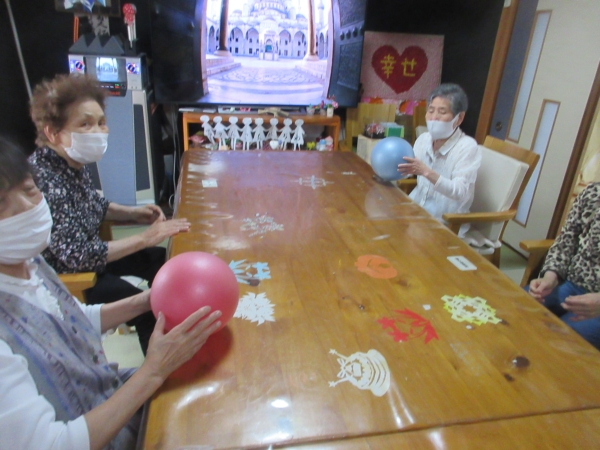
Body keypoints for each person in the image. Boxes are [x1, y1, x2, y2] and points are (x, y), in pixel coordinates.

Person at [0, 137, 222, 449]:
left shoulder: (30, 262)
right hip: (99, 430)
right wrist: (153, 371)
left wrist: (146, 300)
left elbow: (70, 321)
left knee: (215, 385)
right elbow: (53, 444)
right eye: (1, 204)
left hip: (107, 389)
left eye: (29, 190)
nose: (26, 209)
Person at [28, 74, 190, 353]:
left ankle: (175, 322)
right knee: (148, 308)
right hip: (74, 276)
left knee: (162, 261)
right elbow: (78, 256)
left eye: (101, 122)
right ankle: (160, 370)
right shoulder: (44, 179)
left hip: (92, 258)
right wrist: (145, 238)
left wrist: (134, 214)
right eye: (85, 124)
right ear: (53, 133)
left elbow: (93, 204)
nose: (98, 131)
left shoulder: (69, 163)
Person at [397, 83, 481, 236]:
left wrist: (426, 172)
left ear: (459, 118)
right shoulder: (423, 139)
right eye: (430, 111)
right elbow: (408, 171)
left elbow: (460, 192)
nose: (434, 117)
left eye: (442, 112)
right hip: (415, 211)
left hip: (445, 223)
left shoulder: (467, 147)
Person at [527, 182, 600, 349]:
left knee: (558, 341)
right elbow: (566, 241)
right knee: (518, 309)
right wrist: (550, 276)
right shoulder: (593, 192)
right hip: (571, 284)